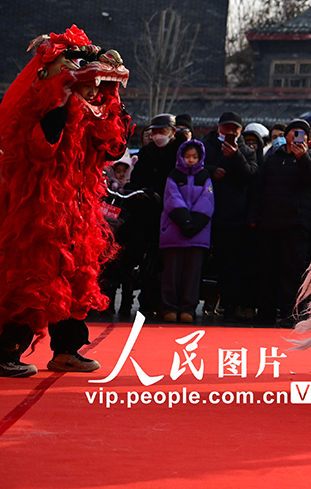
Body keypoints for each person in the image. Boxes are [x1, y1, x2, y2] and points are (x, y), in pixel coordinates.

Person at [0, 27, 129, 377]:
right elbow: (41, 149)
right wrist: (59, 106)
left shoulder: (89, 114)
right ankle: (6, 349)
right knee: (34, 279)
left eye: (95, 88)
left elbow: (112, 148)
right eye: (87, 87)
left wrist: (112, 101)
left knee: (76, 279)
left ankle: (67, 350)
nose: (91, 94)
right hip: (41, 210)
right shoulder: (44, 108)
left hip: (77, 210)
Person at [251, 118, 311, 326]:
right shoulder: (273, 158)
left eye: (302, 134)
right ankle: (265, 313)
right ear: (286, 136)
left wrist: (302, 159)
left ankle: (291, 314)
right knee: (267, 271)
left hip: (295, 223)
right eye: (294, 132)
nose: (297, 136)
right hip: (269, 223)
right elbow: (260, 188)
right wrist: (254, 217)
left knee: (293, 271)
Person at [121, 113, 189, 315]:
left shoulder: (181, 152)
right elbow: (136, 178)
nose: (158, 135)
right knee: (129, 252)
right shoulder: (146, 152)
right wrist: (137, 191)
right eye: (155, 131)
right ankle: (125, 299)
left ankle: (155, 301)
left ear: (173, 132)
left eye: (163, 131)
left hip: (171, 215)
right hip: (145, 213)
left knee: (162, 262)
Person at [203, 112, 260, 320]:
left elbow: (251, 175)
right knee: (212, 263)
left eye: (234, 128)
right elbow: (193, 167)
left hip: (235, 217)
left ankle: (230, 305)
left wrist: (235, 156)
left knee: (233, 264)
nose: (230, 131)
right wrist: (211, 170)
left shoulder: (247, 151)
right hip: (207, 213)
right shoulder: (205, 147)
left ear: (240, 131)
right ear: (218, 128)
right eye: (226, 127)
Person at [160, 141, 215, 323]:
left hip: (198, 233)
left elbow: (207, 201)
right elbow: (171, 198)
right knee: (171, 272)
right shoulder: (174, 175)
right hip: (174, 229)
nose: (191, 160)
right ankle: (169, 307)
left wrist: (194, 223)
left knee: (193, 273)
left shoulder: (205, 176)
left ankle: (188, 308)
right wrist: (185, 220)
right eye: (187, 156)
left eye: (194, 157)